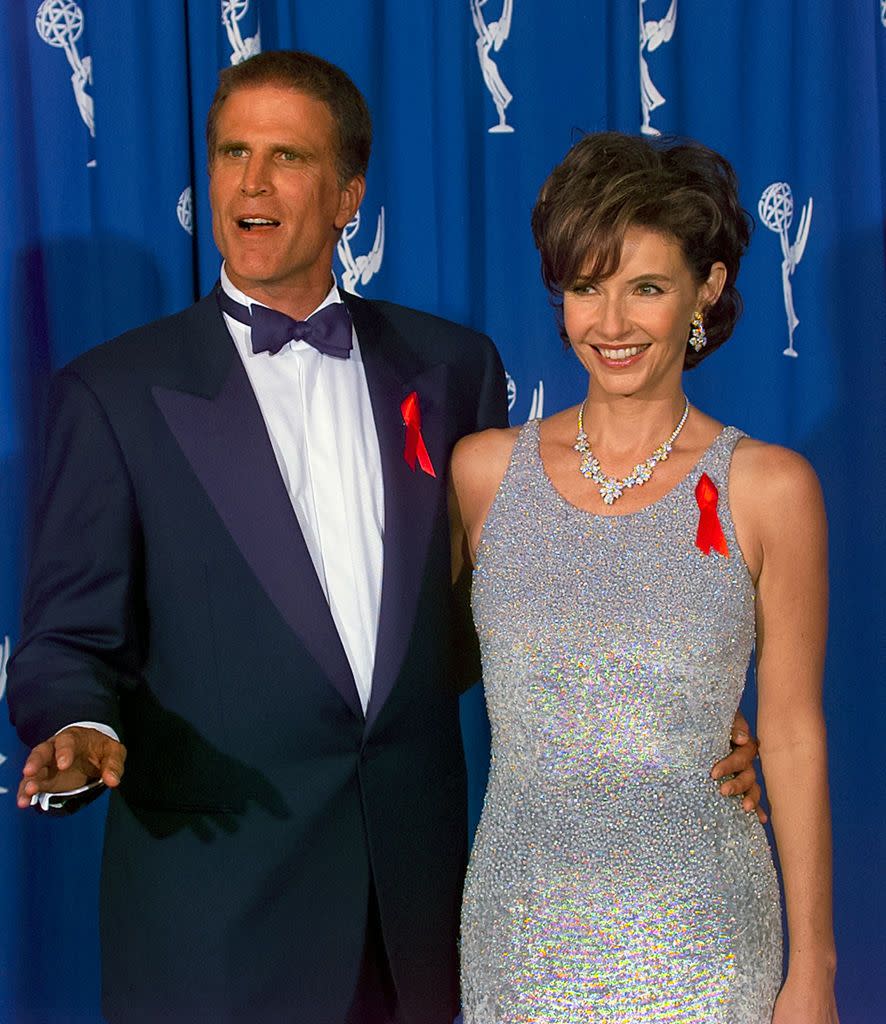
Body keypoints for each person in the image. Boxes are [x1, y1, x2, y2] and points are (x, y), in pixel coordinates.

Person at [7, 53, 763, 1023]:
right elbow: (68, 637)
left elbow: (502, 602)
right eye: (233, 151)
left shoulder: (451, 367)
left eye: (287, 156)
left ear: (347, 196)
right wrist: (77, 725)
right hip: (217, 915)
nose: (250, 181)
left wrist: (680, 717)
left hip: (418, 907)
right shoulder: (112, 394)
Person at [451, 132, 838, 1023]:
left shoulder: (770, 488)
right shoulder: (481, 473)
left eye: (647, 288)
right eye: (587, 287)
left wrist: (812, 974)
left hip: (704, 941)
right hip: (520, 935)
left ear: (706, 288)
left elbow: (792, 732)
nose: (611, 324)